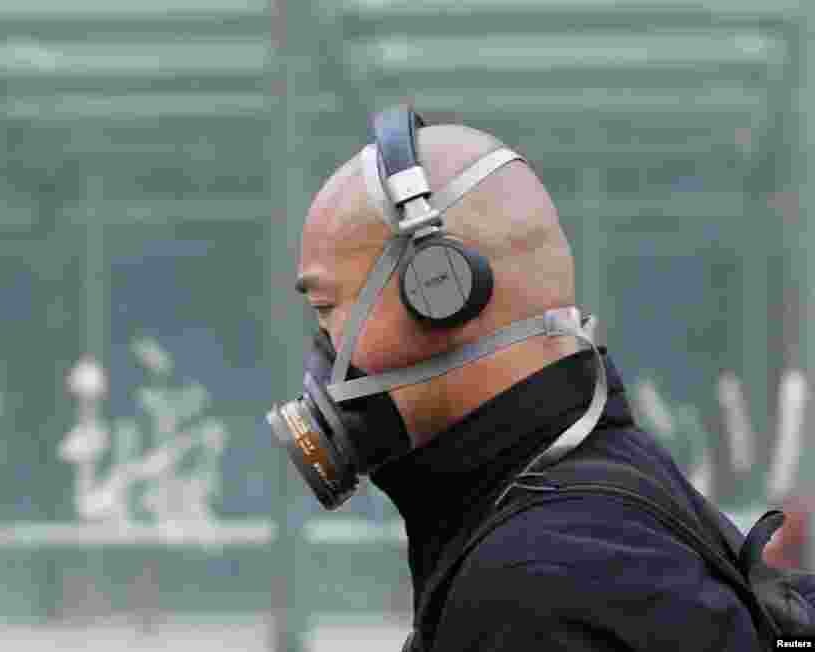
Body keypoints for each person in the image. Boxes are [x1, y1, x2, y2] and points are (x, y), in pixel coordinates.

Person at [286, 115, 771, 650]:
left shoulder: (535, 585)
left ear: (440, 294)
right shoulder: (588, 492)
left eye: (326, 309)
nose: (323, 350)